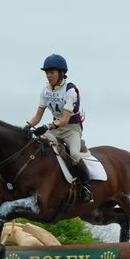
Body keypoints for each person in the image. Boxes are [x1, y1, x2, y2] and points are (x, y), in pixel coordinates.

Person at [25, 54, 93, 203]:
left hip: (71, 129)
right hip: (55, 129)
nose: (48, 76)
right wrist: (26, 127)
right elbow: (37, 117)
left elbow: (65, 119)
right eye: (47, 73)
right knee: (38, 146)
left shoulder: (70, 91)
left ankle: (87, 187)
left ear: (61, 73)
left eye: (52, 72)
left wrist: (47, 126)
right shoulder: (45, 91)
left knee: (75, 154)